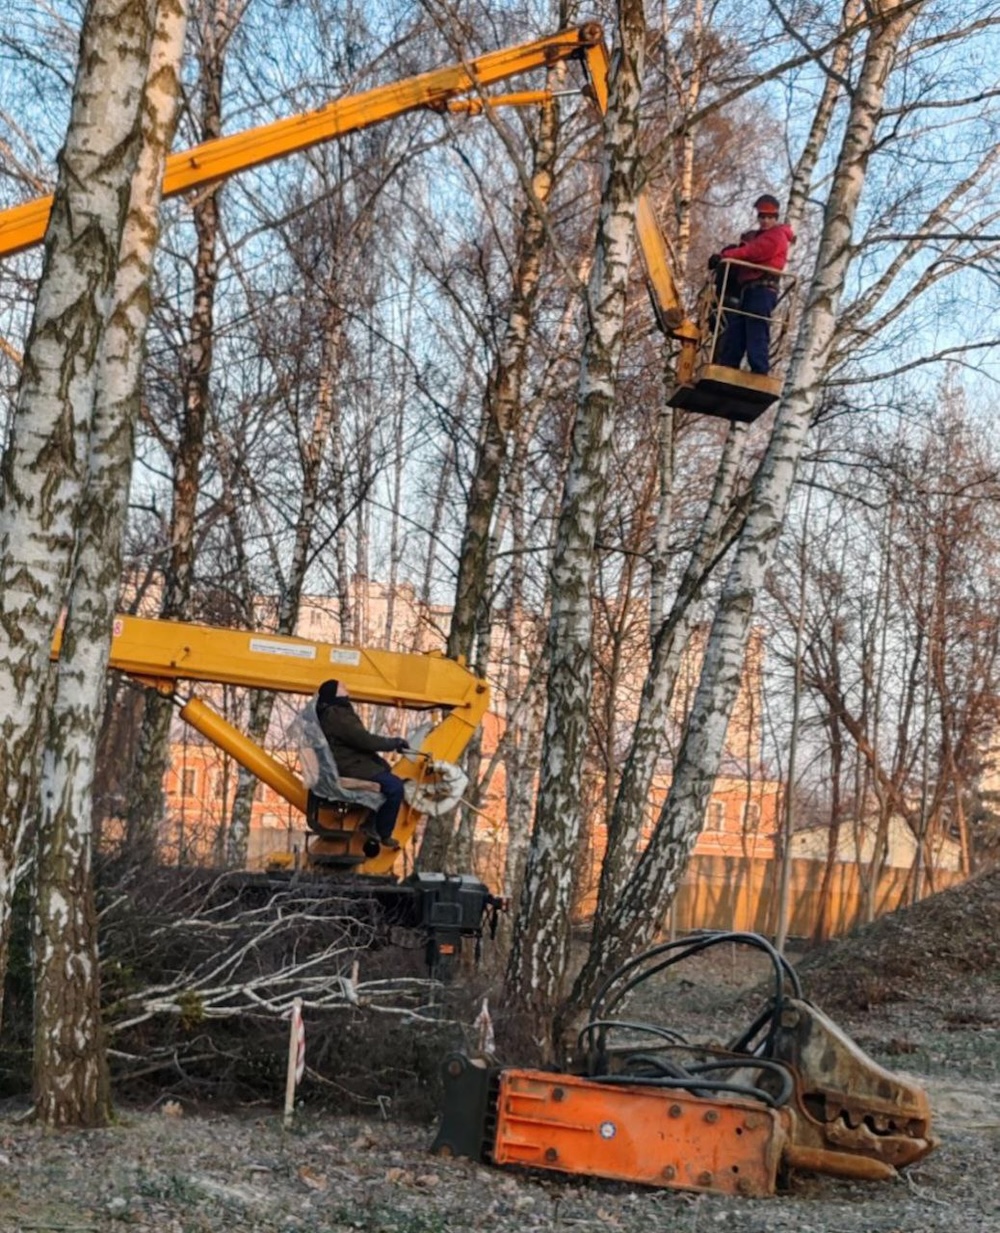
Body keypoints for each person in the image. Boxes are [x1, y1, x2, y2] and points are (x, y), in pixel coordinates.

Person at [315, 678, 410, 850]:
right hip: (351, 766)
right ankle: (381, 832)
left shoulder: (334, 713)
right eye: (342, 686)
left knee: (388, 775)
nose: (347, 688)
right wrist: (394, 743)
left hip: (349, 763)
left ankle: (374, 821)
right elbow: (364, 740)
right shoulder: (337, 715)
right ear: (334, 693)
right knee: (395, 787)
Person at [712, 194, 795, 375]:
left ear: (776, 218)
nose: (765, 220)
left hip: (763, 289)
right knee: (736, 330)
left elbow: (754, 252)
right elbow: (746, 249)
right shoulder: (757, 236)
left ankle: (759, 371)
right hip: (747, 290)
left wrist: (726, 256)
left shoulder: (777, 235)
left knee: (756, 328)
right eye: (762, 216)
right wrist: (726, 253)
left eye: (769, 217)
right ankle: (727, 368)